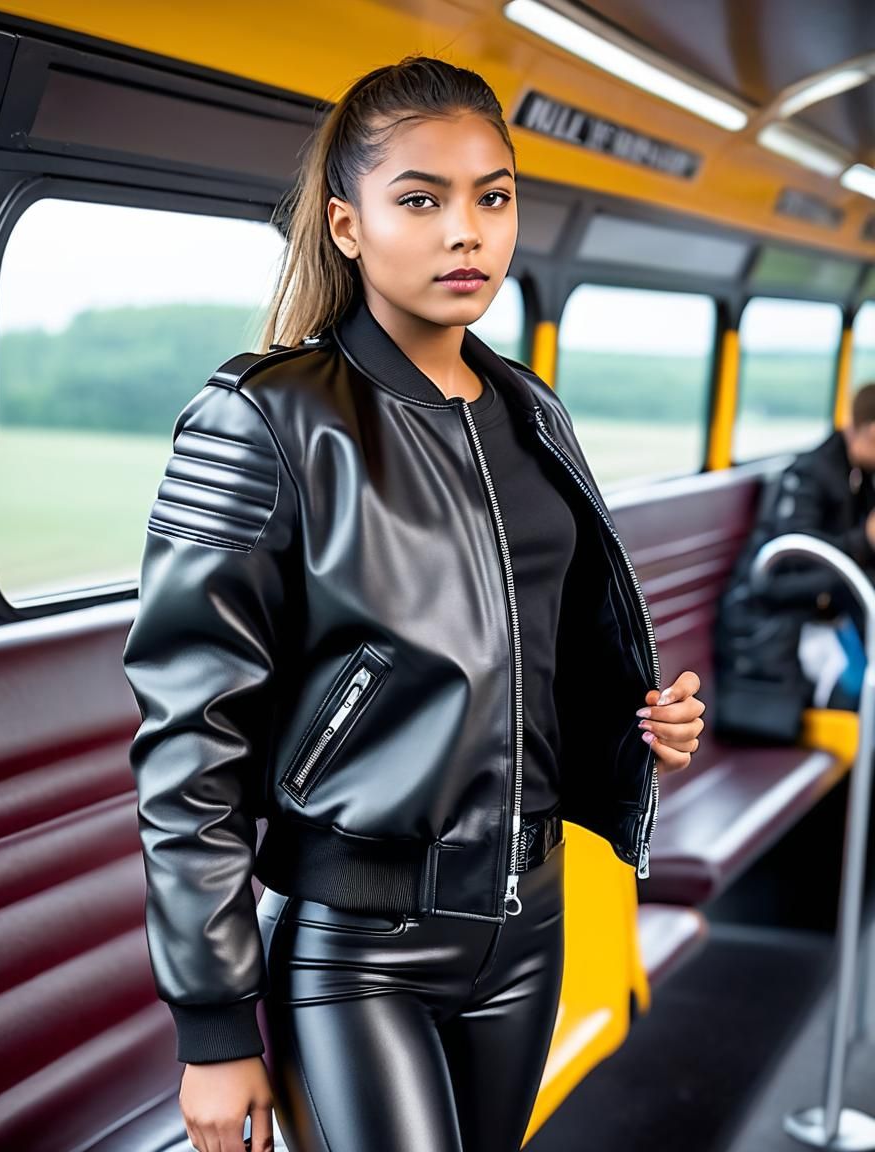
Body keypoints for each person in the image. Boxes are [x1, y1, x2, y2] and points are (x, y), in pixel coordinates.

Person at [122, 55, 704, 1152]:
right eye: (420, 200)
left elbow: (530, 652)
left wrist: (641, 721)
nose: (465, 233)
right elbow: (187, 736)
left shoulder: (530, 408)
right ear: (347, 226)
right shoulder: (266, 419)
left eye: (491, 197)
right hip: (358, 945)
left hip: (527, 919)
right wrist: (211, 1023)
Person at [714, 382, 875, 743]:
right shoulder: (809, 476)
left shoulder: (859, 476)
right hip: (776, 639)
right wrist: (863, 539)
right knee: (858, 688)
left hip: (824, 622)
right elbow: (787, 566)